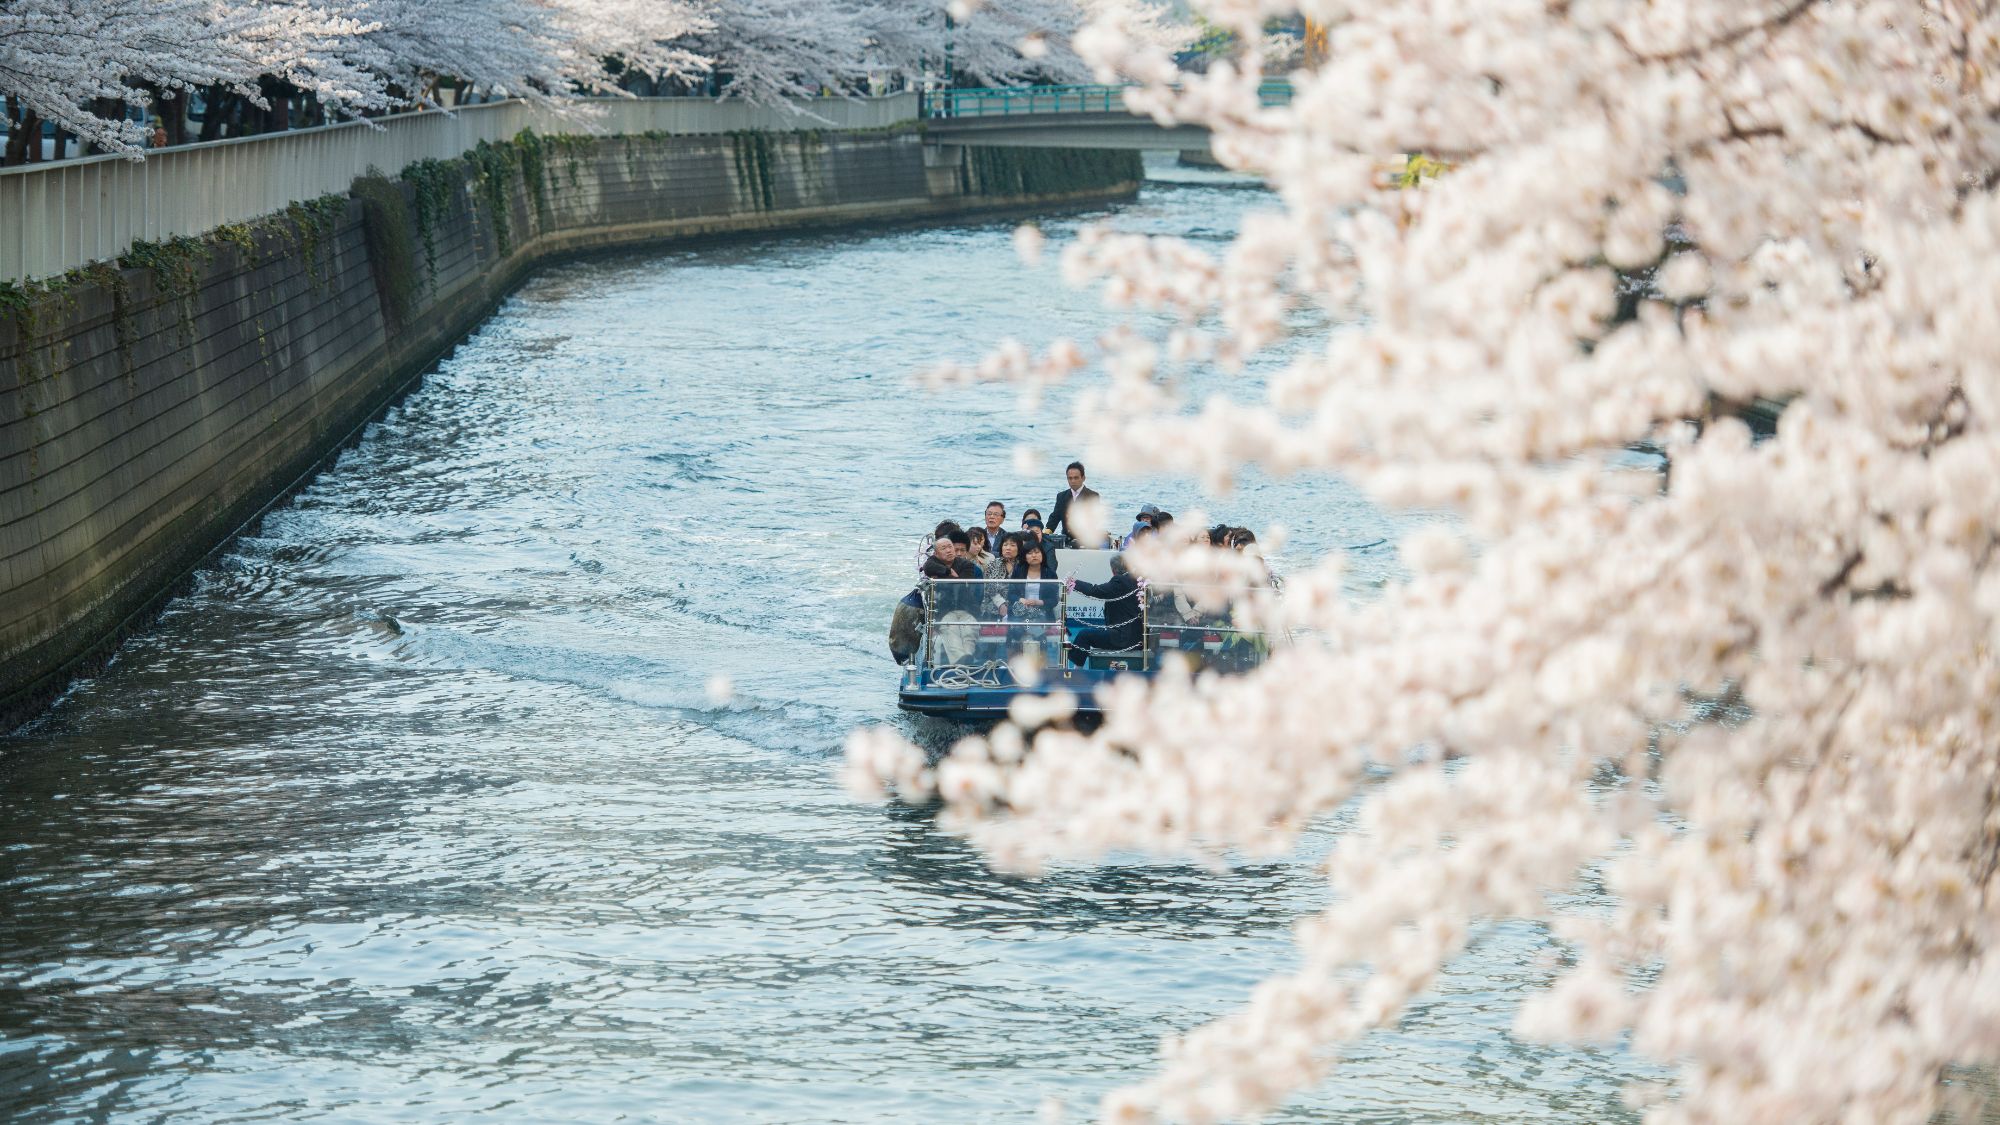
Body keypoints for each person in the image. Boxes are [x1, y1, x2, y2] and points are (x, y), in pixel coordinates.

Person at [1064, 554, 1144, 663]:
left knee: (1084, 635)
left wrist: (1075, 583)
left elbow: (1096, 590)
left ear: (1113, 570)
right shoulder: (1136, 580)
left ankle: (1077, 670)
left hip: (1123, 638)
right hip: (1136, 637)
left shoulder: (1120, 581)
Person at [1046, 461, 1101, 544]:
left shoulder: (1093, 496)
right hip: (1065, 541)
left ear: (1083, 478)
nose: (1073, 481)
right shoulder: (1061, 496)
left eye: (1076, 478)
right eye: (1070, 478)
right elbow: (1054, 518)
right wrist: (1046, 533)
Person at [1009, 538, 1061, 622]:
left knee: (1037, 630)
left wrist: (1038, 602)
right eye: (1029, 553)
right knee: (1016, 630)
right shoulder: (1018, 571)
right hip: (1020, 611)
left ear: (1042, 555)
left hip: (1042, 612)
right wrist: (1021, 600)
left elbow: (1053, 600)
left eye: (1037, 552)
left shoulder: (1050, 573)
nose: (1034, 555)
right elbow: (1010, 594)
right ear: (1025, 557)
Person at [987, 533, 1023, 617]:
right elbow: (988, 586)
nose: (1008, 548)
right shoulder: (994, 563)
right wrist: (1000, 603)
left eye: (1012, 545)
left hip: (1018, 603)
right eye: (1005, 545)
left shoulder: (1023, 565)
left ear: (1019, 548)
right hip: (995, 604)